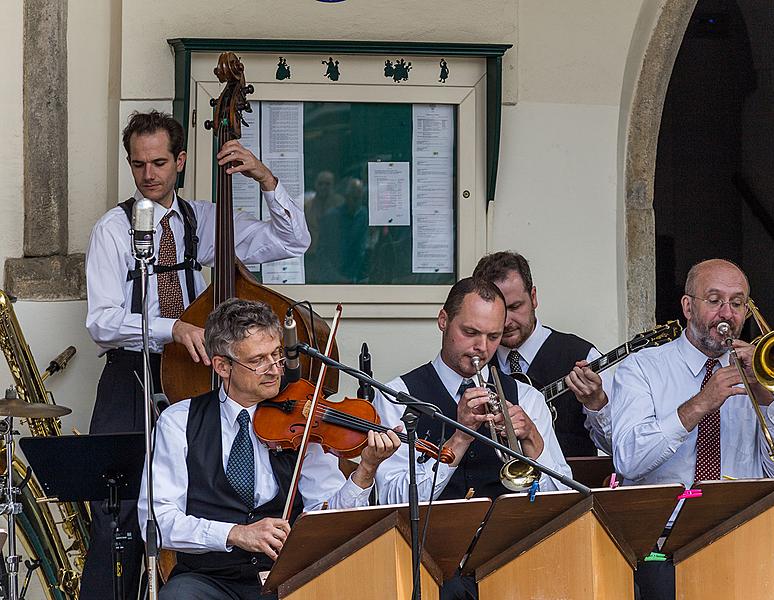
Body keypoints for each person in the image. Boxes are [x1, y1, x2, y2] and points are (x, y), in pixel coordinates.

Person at [82, 110, 311, 599]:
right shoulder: (111, 229)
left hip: (199, 371)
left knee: (209, 486)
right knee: (117, 507)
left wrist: (266, 180)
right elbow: (102, 322)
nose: (149, 175)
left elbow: (292, 240)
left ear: (181, 161)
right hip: (133, 372)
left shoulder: (203, 219)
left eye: (160, 162)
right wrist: (173, 327)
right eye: (138, 164)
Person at [139, 299, 401, 599]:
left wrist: (366, 471)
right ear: (222, 366)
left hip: (286, 575)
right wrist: (235, 534)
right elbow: (158, 520)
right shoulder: (179, 422)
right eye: (258, 360)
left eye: (277, 355)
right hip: (207, 579)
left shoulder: (304, 420)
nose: (275, 369)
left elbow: (326, 516)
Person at [609, 259, 774, 600]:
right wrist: (699, 404)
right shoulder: (642, 368)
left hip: (745, 530)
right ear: (688, 307)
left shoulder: (762, 373)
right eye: (715, 300)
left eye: (737, 303)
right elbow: (628, 461)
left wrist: (768, 398)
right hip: (664, 540)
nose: (726, 313)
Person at [372, 277, 571, 600]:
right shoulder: (399, 396)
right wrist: (460, 437)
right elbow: (392, 501)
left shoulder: (527, 398)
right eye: (470, 333)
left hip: (509, 554)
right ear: (443, 321)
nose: (482, 347)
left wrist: (534, 445)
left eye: (494, 336)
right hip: (431, 561)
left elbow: (565, 502)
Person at [472, 251, 611, 456]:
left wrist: (597, 405)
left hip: (566, 485)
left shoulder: (583, 355)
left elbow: (618, 449)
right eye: (498, 311)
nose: (507, 321)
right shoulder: (473, 362)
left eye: (515, 306)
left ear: (534, 297)